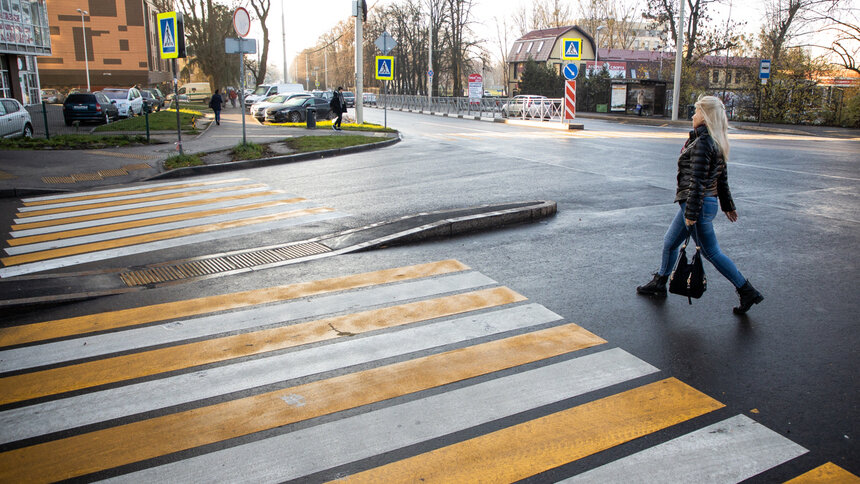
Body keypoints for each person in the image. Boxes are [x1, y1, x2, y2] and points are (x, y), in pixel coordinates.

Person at [636, 95, 763, 315]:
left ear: (704, 115)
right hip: (699, 203)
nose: (693, 115)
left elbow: (698, 181)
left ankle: (746, 290)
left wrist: (692, 214)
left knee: (711, 252)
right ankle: (659, 282)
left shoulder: (704, 142)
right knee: (670, 242)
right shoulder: (711, 139)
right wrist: (727, 205)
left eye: (696, 111)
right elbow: (720, 178)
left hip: (697, 204)